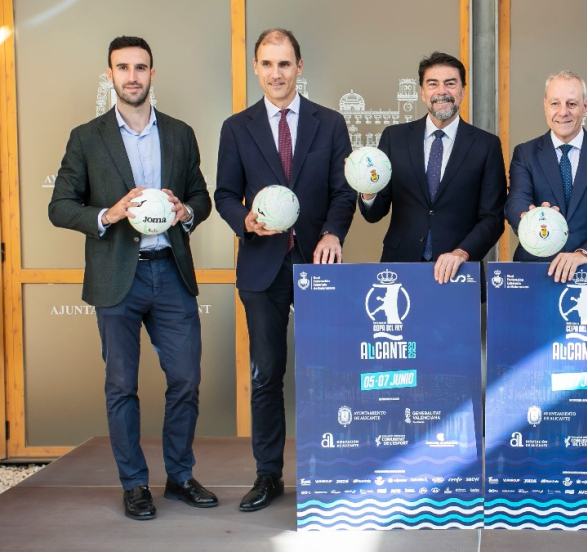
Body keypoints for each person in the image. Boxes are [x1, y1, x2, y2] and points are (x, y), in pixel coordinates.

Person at [48, 36, 216, 520]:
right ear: (110, 75)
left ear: (152, 74)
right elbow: (59, 206)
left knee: (185, 380)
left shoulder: (181, 134)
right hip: (117, 276)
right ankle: (135, 484)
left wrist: (186, 211)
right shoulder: (87, 137)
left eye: (140, 67)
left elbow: (201, 197)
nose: (132, 76)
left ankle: (180, 476)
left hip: (170, 272)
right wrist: (109, 212)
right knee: (121, 386)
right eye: (122, 68)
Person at [214, 28, 356, 512]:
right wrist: (246, 222)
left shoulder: (330, 123)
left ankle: (330, 474)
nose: (277, 73)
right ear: (257, 68)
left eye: (285, 64)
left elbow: (344, 191)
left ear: (299, 67)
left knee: (327, 374)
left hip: (319, 264)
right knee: (267, 374)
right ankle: (268, 475)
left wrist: (334, 233)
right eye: (268, 64)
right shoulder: (237, 128)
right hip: (262, 268)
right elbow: (224, 195)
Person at [358, 52, 506, 284]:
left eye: (450, 83)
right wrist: (367, 190)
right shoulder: (394, 138)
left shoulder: (486, 145)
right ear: (422, 92)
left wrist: (462, 253)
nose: (442, 91)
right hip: (400, 268)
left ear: (462, 91)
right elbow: (375, 213)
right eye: (433, 84)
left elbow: (492, 218)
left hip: (459, 272)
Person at [505, 71, 587, 282]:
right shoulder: (525, 153)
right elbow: (516, 200)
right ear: (545, 105)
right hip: (536, 271)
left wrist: (584, 254)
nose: (563, 112)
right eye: (555, 103)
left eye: (571, 104)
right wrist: (530, 217)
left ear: (585, 105)